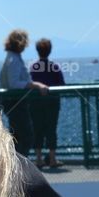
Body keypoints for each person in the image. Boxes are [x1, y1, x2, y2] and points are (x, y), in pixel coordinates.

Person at [0, 30, 49, 157]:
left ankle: (16, 167)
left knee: (18, 135)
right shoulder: (13, 60)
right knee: (25, 136)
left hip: (15, 101)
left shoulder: (13, 58)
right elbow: (14, 83)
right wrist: (35, 85)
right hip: (15, 102)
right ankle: (20, 168)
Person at [30, 38, 65, 167]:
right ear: (50, 51)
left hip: (35, 102)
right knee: (51, 128)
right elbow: (61, 84)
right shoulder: (54, 67)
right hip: (52, 101)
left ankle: (38, 159)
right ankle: (52, 159)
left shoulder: (33, 67)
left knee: (37, 128)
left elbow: (29, 83)